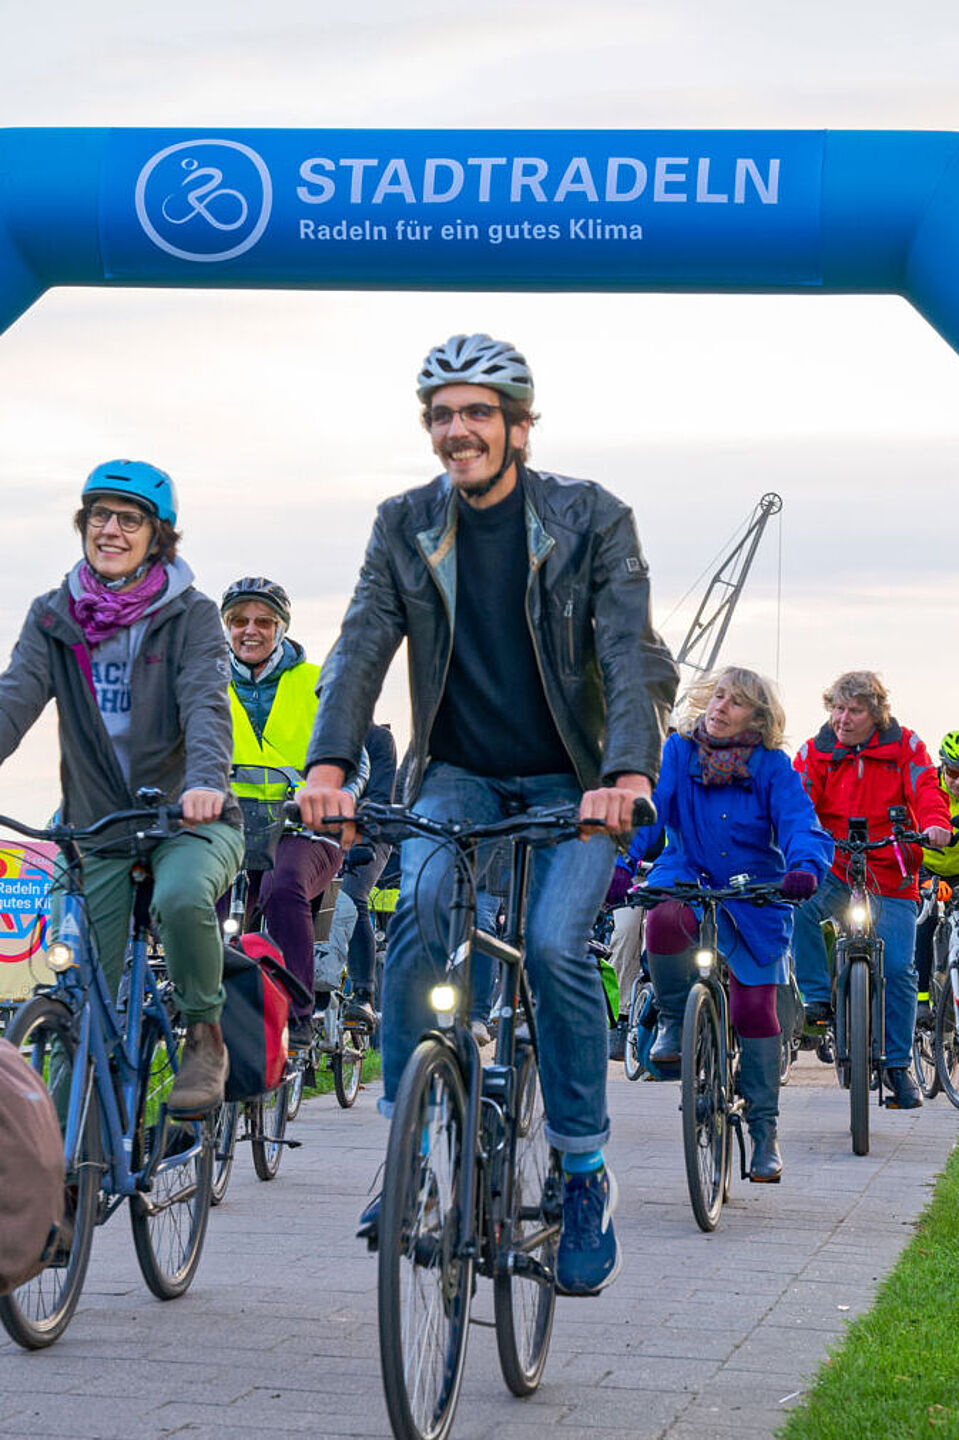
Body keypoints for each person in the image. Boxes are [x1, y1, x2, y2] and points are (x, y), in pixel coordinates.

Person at [298, 332, 678, 1296]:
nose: (455, 430)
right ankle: (412, 1145)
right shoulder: (405, 523)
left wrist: (626, 773)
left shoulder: (590, 518)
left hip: (574, 779)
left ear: (518, 425)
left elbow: (630, 652)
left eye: (476, 412)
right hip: (458, 771)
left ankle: (582, 1170)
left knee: (552, 946)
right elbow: (359, 644)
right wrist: (330, 766)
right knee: (422, 910)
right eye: (440, 415)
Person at [0, 460, 243, 1115]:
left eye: (129, 520)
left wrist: (205, 783)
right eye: (99, 516)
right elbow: (14, 699)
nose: (110, 530)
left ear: (157, 536)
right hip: (100, 827)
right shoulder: (53, 616)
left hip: (188, 819)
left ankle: (204, 1035)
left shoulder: (191, 615)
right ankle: (66, 1153)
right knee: (81, 999)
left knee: (183, 897)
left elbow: (205, 704)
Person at [628, 667, 832, 1180]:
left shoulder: (773, 766)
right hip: (688, 873)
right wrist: (620, 863)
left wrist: (804, 867)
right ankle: (674, 1019)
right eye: (718, 696)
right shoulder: (678, 752)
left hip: (755, 889)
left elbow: (800, 822)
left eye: (735, 702)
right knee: (664, 919)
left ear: (757, 719)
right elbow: (647, 814)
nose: (720, 707)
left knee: (754, 1010)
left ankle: (764, 1131)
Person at [792, 671, 952, 1109]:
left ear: (875, 714)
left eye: (854, 710)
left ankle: (897, 1067)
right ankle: (816, 998)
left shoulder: (906, 747)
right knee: (799, 905)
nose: (842, 719)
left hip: (890, 869)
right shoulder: (816, 751)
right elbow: (798, 800)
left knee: (899, 968)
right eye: (837, 709)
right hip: (834, 864)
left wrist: (935, 824)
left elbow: (927, 789)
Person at [222, 576, 353, 1046]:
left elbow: (354, 758)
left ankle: (299, 1013)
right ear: (227, 627)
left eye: (263, 621)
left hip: (304, 827)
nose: (250, 630)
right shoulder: (205, 684)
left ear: (282, 628)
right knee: (201, 895)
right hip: (230, 827)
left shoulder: (317, 682)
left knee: (283, 887)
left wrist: (328, 794)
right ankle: (201, 1009)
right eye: (239, 621)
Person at [318, 720, 397, 1029]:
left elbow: (379, 797)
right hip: (321, 832)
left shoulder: (378, 739)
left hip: (368, 835)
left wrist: (356, 834)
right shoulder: (317, 735)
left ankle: (363, 994)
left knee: (350, 896)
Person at [914, 731, 959, 1019]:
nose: (958, 782)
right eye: (953, 772)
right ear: (942, 766)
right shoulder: (929, 787)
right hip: (927, 867)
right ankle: (921, 1000)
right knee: (925, 921)